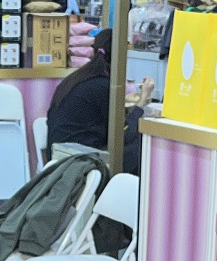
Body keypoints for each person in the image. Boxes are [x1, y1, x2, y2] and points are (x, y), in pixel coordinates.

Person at [45, 28, 146, 175]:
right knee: (141, 145)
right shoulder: (103, 86)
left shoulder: (76, 79)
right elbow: (121, 135)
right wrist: (141, 103)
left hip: (57, 158)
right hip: (79, 164)